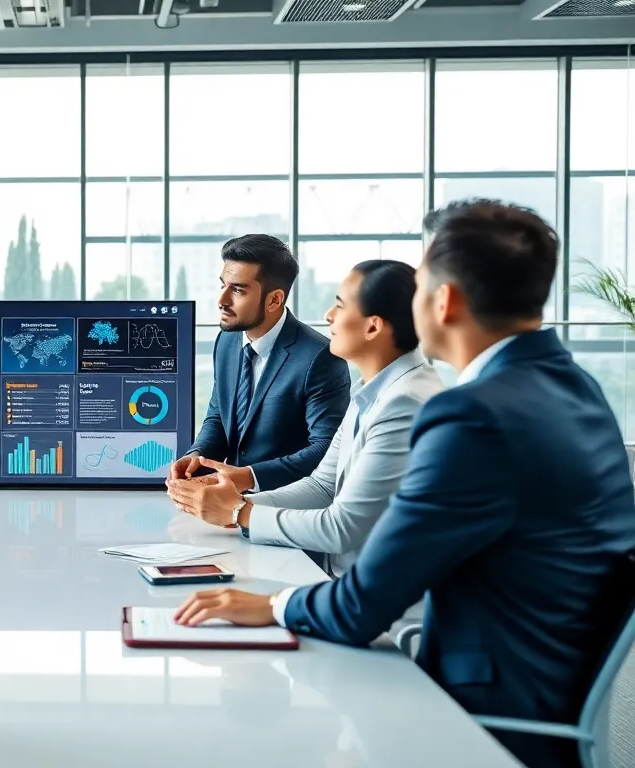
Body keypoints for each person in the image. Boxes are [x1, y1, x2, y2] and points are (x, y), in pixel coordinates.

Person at [172, 200, 635, 768]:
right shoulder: (576, 388)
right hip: (535, 687)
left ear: (444, 302)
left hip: (474, 710)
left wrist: (269, 603)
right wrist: (235, 510)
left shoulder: (471, 416)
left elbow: (362, 604)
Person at [171, 260, 444, 579]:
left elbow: (341, 528)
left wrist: (239, 512)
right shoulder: (371, 390)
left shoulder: (405, 403)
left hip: (378, 606)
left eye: (340, 305)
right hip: (338, 581)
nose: (329, 316)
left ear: (373, 326)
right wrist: (229, 502)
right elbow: (322, 485)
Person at [167, 235, 350, 495]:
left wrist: (248, 477)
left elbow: (326, 448)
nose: (222, 300)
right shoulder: (227, 341)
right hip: (228, 502)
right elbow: (218, 417)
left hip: (288, 506)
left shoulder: (320, 357)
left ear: (274, 300)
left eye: (238, 289)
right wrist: (198, 456)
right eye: (223, 285)